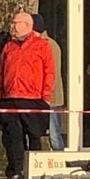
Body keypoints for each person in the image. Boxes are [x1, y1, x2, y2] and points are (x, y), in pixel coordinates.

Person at [0, 11, 54, 179]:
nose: (12, 26)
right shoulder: (9, 46)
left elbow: (49, 72)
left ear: (27, 26)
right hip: (9, 98)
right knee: (12, 137)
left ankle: (34, 173)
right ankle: (16, 171)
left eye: (16, 23)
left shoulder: (41, 46)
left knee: (34, 136)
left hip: (33, 98)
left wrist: (45, 97)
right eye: (12, 23)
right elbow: (2, 72)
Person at [36, 16, 66, 151]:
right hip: (44, 96)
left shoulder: (48, 45)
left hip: (51, 97)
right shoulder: (44, 44)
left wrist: (47, 94)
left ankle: (61, 162)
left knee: (54, 134)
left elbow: (50, 72)